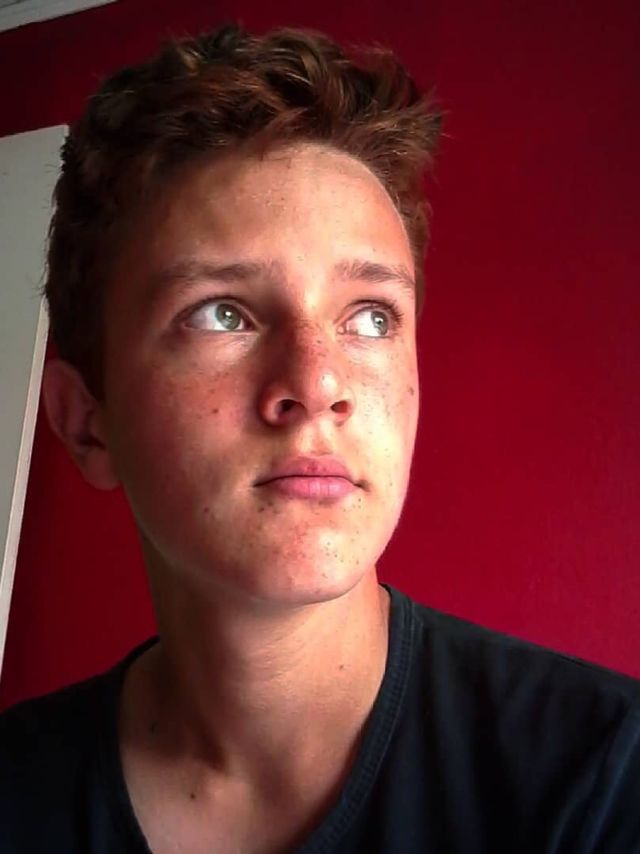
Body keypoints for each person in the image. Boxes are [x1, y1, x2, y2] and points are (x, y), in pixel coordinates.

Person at [1, 21, 639, 854]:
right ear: (87, 422)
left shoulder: (603, 782)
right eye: (221, 313)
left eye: (370, 317)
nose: (317, 383)